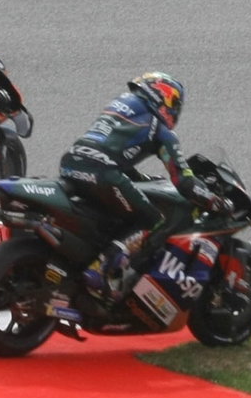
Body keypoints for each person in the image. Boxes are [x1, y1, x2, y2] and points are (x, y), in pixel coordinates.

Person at [60, 73, 232, 301]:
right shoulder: (162, 132)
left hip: (71, 163)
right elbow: (184, 181)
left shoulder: (120, 105)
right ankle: (99, 269)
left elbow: (116, 153)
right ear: (165, 99)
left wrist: (147, 179)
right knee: (153, 219)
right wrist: (213, 201)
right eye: (174, 104)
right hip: (102, 172)